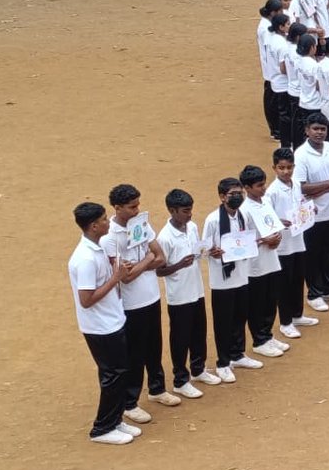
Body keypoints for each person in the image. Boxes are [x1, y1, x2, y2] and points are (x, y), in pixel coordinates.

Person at [100, 184, 175, 424]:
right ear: (117, 207)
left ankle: (157, 389)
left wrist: (141, 264)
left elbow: (160, 257)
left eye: (138, 205)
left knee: (154, 346)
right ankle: (130, 403)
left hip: (151, 297)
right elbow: (125, 276)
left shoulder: (141, 223)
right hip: (131, 305)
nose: (137, 210)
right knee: (135, 353)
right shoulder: (110, 238)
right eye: (132, 207)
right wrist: (147, 260)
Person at [69, 201, 137, 445]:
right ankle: (102, 428)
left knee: (119, 373)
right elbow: (86, 300)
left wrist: (116, 272)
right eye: (104, 219)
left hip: (111, 321)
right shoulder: (85, 259)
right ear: (94, 226)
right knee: (113, 375)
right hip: (100, 327)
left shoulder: (96, 249)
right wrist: (116, 278)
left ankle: (115, 420)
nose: (109, 222)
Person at [156, 189, 218, 399]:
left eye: (190, 210)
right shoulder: (165, 238)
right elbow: (159, 271)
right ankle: (180, 381)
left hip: (196, 290)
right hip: (179, 296)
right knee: (181, 338)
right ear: (172, 211)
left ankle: (198, 370)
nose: (190, 214)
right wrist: (179, 265)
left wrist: (205, 251)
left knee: (199, 332)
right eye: (185, 211)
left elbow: (196, 251)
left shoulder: (192, 227)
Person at [202, 177, 259, 382]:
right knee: (223, 322)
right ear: (222, 196)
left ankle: (238, 354)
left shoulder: (243, 215)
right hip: (223, 279)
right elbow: (203, 249)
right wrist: (212, 251)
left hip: (242, 275)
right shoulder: (213, 220)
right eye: (232, 194)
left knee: (240, 317)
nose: (237, 197)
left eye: (239, 193)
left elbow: (248, 238)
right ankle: (223, 362)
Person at [294, 112, 329, 312]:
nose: (319, 132)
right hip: (312, 215)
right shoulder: (301, 155)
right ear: (307, 130)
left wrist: (326, 187)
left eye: (323, 129)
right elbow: (301, 187)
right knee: (313, 255)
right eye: (315, 129)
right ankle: (314, 293)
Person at [265, 148, 319, 339]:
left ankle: (297, 315)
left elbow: (301, 203)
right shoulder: (271, 192)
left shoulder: (296, 184)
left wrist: (311, 209)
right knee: (284, 285)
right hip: (282, 247)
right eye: (282, 168)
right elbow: (267, 218)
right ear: (274, 168)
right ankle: (285, 322)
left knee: (297, 279)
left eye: (289, 167)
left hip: (298, 240)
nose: (286, 171)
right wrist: (279, 222)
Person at [238, 165, 288, 359]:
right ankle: (259, 341)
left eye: (264, 184)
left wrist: (277, 237)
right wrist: (263, 241)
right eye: (259, 185)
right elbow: (240, 241)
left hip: (271, 259)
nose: (263, 188)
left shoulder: (265, 202)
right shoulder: (243, 210)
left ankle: (267, 335)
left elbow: (272, 223)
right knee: (257, 304)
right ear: (247, 188)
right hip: (255, 265)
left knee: (270, 300)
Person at [258, 0, 285, 140]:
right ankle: (275, 129)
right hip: (271, 70)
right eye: (279, 11)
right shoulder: (265, 28)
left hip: (272, 68)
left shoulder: (269, 24)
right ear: (272, 12)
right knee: (272, 101)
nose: (281, 13)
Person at [266, 12, 293, 148]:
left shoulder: (272, 39)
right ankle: (286, 142)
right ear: (281, 27)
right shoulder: (282, 45)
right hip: (283, 83)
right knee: (286, 115)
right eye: (288, 24)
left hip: (276, 81)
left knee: (282, 113)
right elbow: (283, 68)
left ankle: (284, 140)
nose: (289, 26)